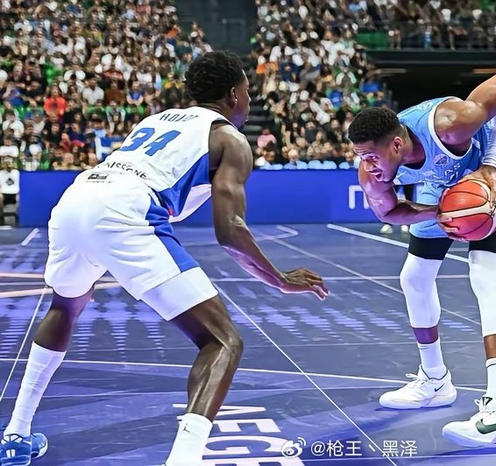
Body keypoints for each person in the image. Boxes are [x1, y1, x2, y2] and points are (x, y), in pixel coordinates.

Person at [0, 51, 328, 466]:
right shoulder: (230, 139)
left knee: (64, 307)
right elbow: (230, 231)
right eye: (247, 91)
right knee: (222, 340)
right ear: (234, 94)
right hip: (127, 208)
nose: (248, 99)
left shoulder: (156, 120)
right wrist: (279, 278)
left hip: (77, 197)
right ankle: (184, 459)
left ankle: (16, 433)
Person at [348, 73, 496, 449]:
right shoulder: (371, 171)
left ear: (397, 144)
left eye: (372, 157)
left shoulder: (451, 123)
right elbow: (389, 212)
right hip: (443, 185)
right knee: (414, 277)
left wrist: (491, 162)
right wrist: (438, 212)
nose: (368, 166)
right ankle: (435, 380)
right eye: (361, 157)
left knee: (484, 272)